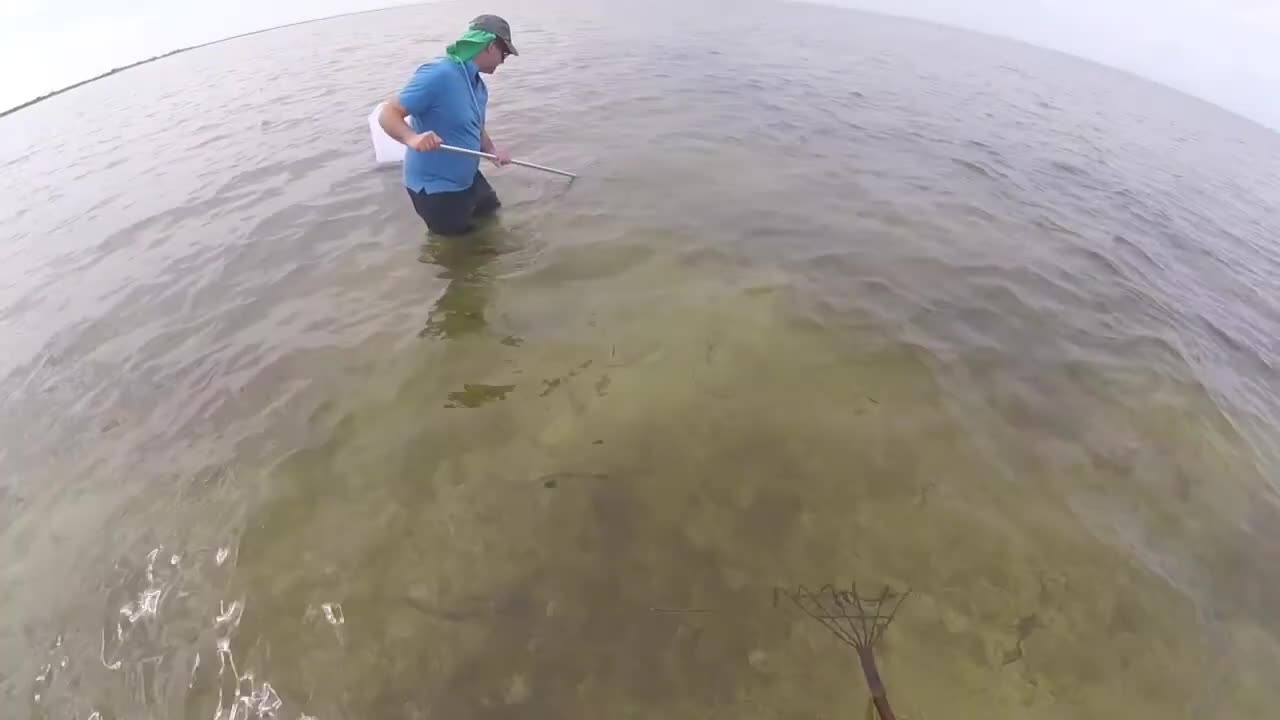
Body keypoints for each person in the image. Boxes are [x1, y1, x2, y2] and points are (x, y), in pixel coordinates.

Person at [378, 15, 519, 236]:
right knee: (462, 255)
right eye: (505, 52)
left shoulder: (478, 86)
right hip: (437, 190)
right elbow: (388, 113)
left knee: (493, 216)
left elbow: (476, 127)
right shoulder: (439, 74)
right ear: (491, 46)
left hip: (470, 178)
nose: (504, 59)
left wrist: (491, 151)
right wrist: (412, 138)